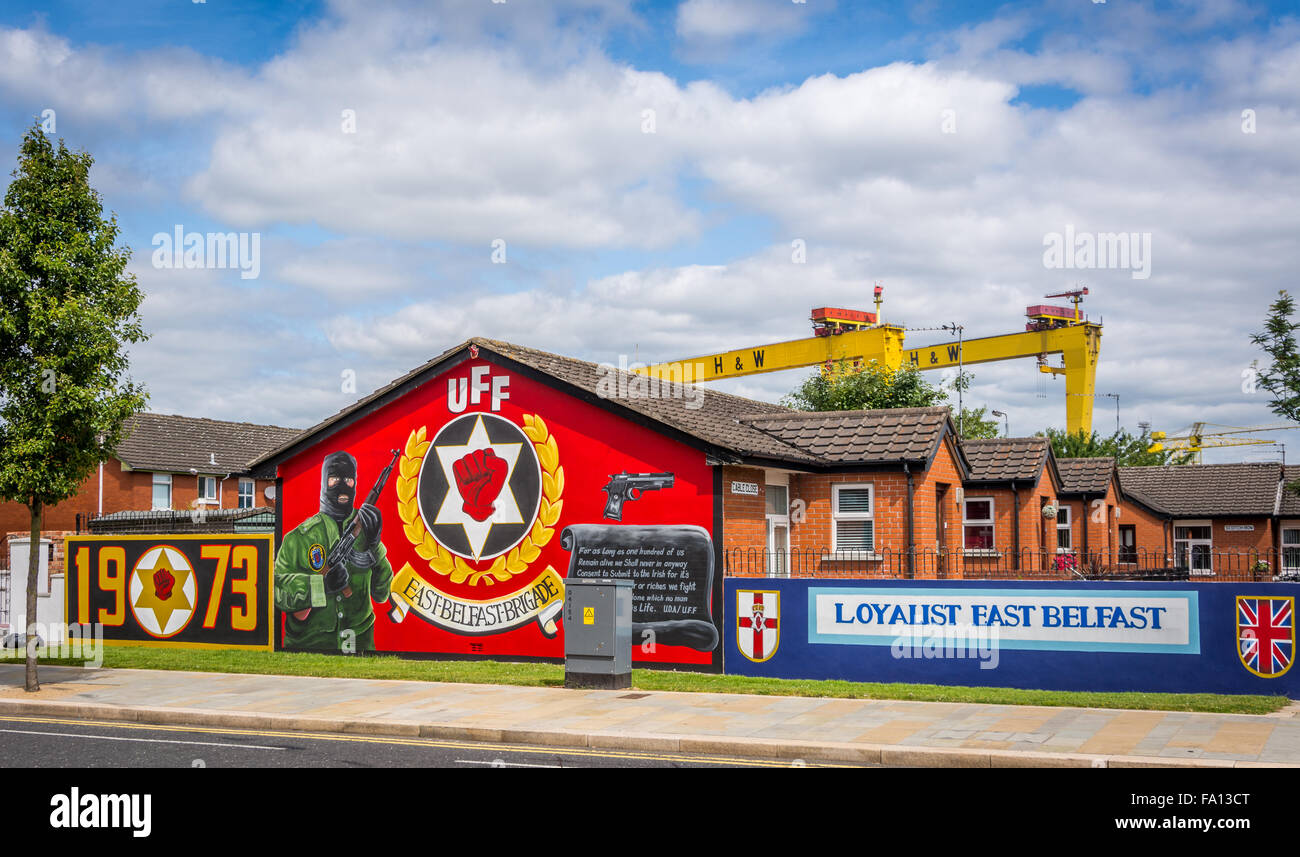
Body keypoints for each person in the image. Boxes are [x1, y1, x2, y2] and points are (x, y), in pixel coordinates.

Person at [274, 451, 391, 651]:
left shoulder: (366, 530)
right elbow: (278, 591)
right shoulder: (297, 538)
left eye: (348, 479)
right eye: (335, 479)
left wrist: (375, 544)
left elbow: (381, 594)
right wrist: (321, 585)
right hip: (310, 642)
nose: (342, 485)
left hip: (360, 641)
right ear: (323, 482)